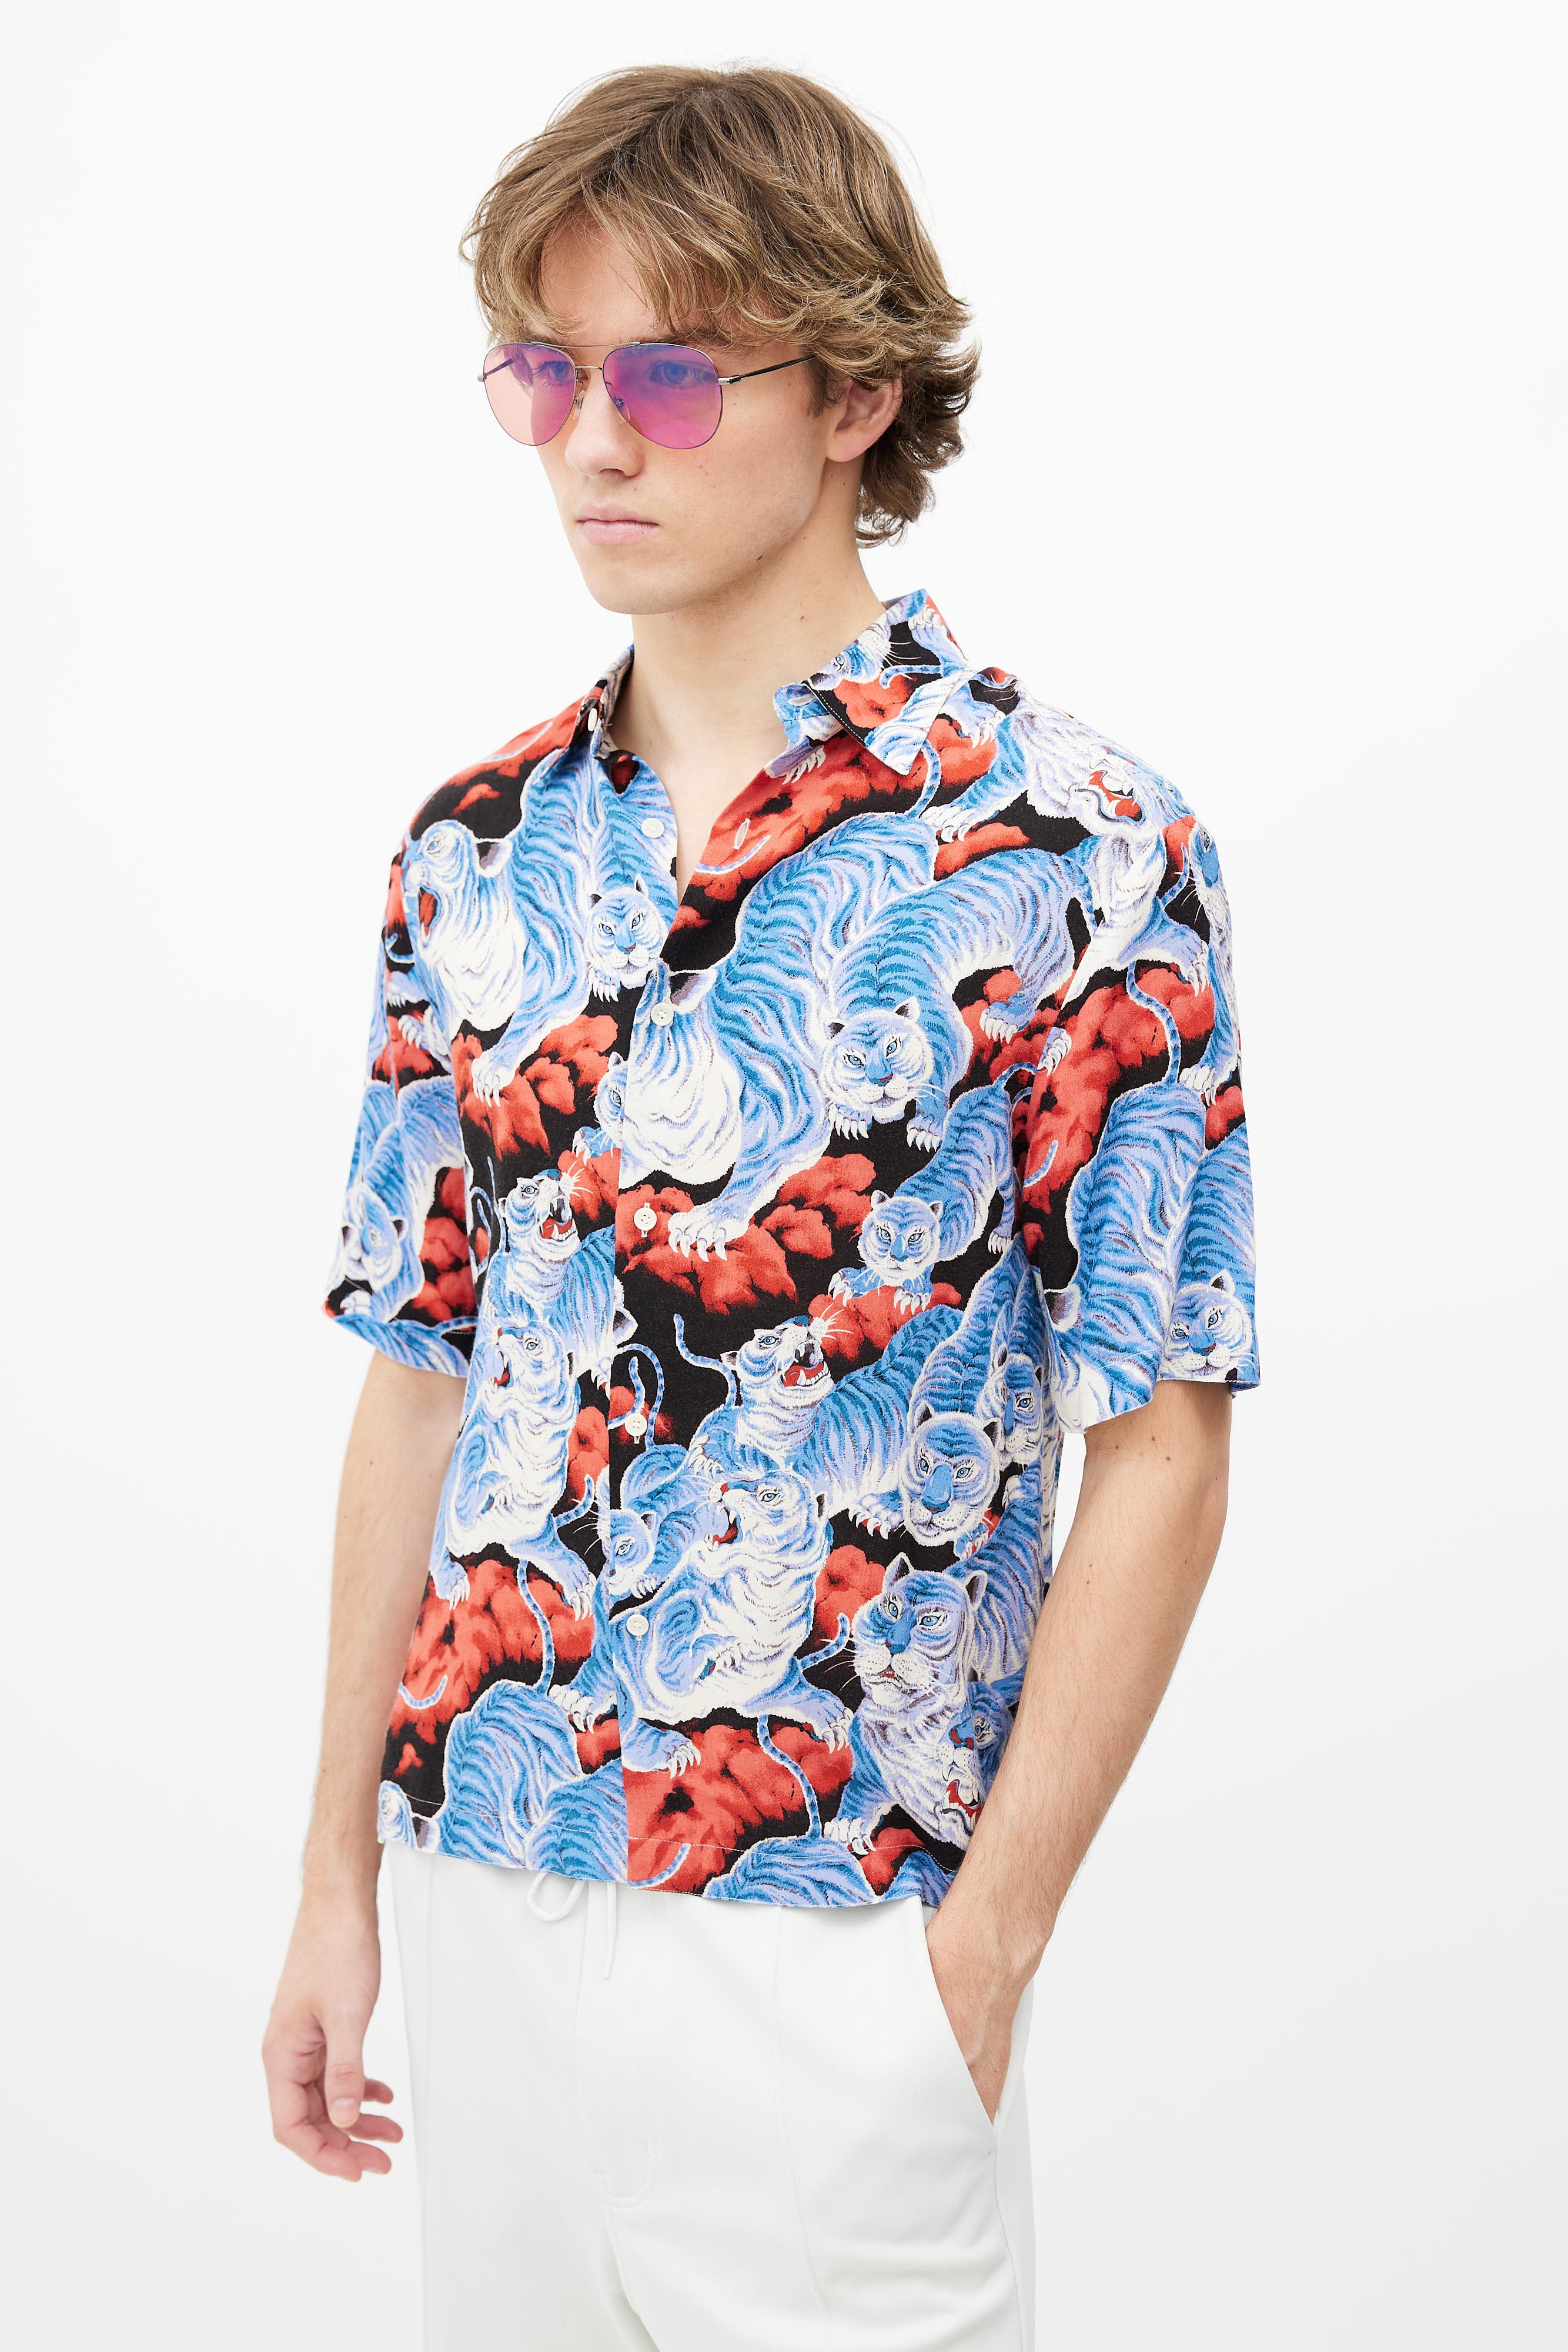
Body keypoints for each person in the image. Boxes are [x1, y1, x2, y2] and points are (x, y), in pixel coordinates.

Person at [262, 62, 1259, 2352]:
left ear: (854, 394)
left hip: (841, 1951)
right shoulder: (472, 853)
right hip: (493, 1895)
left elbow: (1163, 1444)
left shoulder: (1079, 852)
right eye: (545, 371)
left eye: (667, 375)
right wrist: (333, 1881)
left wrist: (977, 1961)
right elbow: (418, 1378)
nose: (588, 443)